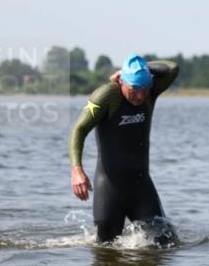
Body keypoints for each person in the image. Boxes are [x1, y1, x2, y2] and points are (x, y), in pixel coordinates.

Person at [68, 54, 180, 242]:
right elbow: (79, 130)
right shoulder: (106, 96)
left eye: (145, 89)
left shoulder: (151, 91)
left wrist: (142, 69)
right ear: (121, 81)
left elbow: (172, 68)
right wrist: (76, 170)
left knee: (165, 242)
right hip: (109, 186)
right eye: (134, 89)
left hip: (141, 186)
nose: (140, 95)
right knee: (105, 248)